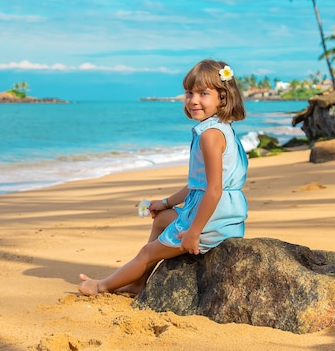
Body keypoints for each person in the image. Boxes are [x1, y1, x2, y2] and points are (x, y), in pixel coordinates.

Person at [78, 59, 248, 296]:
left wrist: (193, 232)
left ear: (223, 97)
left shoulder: (210, 136)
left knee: (146, 254)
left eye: (203, 93)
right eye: (189, 93)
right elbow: (197, 185)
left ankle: (100, 286)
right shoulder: (218, 127)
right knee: (161, 219)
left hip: (213, 218)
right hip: (219, 211)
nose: (193, 100)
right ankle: (139, 282)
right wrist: (166, 203)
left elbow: (214, 190)